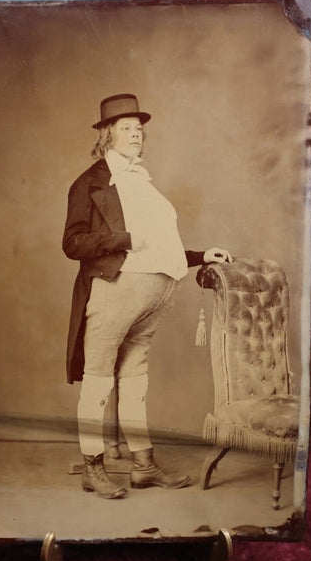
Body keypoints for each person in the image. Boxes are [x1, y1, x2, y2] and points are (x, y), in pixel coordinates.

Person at [62, 93, 232, 499]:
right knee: (99, 383)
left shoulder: (144, 180)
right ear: (106, 135)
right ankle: (93, 468)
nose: (136, 134)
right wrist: (123, 238)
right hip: (115, 292)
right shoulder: (90, 183)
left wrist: (199, 255)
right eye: (126, 128)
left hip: (152, 300)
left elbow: (161, 247)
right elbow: (72, 243)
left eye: (139, 129)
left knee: (135, 382)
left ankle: (143, 466)